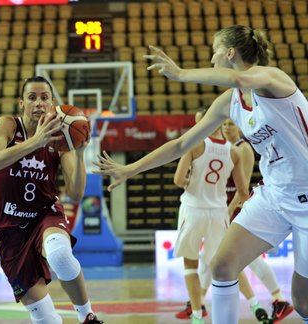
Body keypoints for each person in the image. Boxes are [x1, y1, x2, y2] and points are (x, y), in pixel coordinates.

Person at [94, 25, 308, 324]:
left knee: (303, 302)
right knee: (222, 265)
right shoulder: (229, 103)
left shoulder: (272, 78)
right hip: (274, 195)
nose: (211, 59)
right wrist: (132, 168)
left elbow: (239, 77)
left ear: (230, 53)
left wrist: (181, 74)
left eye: (214, 51)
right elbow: (182, 144)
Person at [0, 76, 102, 324]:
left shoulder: (60, 138)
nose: (39, 103)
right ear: (21, 104)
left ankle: (87, 316)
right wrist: (36, 141)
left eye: (44, 98)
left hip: (45, 215)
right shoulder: (8, 126)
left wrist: (79, 154)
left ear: (52, 104)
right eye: (32, 97)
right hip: (9, 230)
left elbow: (77, 194)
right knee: (47, 319)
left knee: (60, 255)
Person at [171, 109, 267, 324]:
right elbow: (243, 192)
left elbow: (178, 179)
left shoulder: (194, 144)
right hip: (218, 212)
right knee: (225, 265)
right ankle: (254, 304)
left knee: (190, 265)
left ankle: (196, 315)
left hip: (194, 208)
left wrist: (192, 183)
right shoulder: (234, 152)